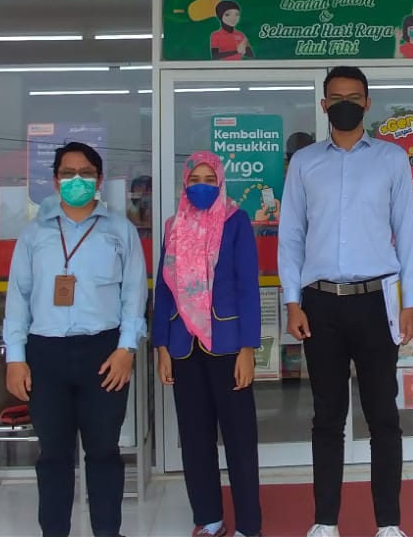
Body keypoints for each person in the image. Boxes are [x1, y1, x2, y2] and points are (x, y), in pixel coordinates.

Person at [280, 66, 413, 537]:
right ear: (324, 105)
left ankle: (389, 523)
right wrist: (292, 301)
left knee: (383, 414)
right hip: (319, 304)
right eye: (336, 97)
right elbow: (291, 236)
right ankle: (325, 522)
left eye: (354, 97)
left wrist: (410, 302)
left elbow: (407, 232)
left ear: (367, 103)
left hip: (376, 301)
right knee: (327, 417)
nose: (345, 104)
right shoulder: (305, 163)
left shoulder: (391, 159)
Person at [4, 142, 145, 537]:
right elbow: (18, 297)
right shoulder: (34, 234)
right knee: (53, 455)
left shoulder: (120, 230)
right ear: (55, 181)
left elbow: (134, 293)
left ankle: (107, 532)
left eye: (85, 173)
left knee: (104, 452)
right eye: (68, 173)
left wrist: (127, 348)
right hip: (45, 354)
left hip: (104, 353)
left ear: (99, 180)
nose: (76, 180)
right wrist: (15, 357)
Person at [152, 151, 263, 537]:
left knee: (239, 438)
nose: (202, 186)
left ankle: (249, 526)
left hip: (227, 344)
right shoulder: (173, 226)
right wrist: (162, 346)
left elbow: (248, 286)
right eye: (195, 179)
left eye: (209, 179)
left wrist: (248, 348)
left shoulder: (235, 221)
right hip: (183, 345)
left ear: (220, 182)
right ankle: (210, 517)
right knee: (195, 437)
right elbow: (163, 291)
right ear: (185, 184)